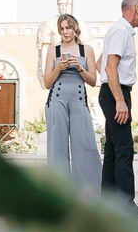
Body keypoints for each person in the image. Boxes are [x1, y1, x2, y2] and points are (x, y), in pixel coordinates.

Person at [40, 14, 101, 191]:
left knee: (86, 145)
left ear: (75, 28)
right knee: (57, 148)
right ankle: (60, 192)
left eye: (68, 28)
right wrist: (59, 67)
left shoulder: (86, 50)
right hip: (57, 99)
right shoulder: (54, 51)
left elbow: (92, 80)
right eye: (62, 28)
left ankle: (91, 193)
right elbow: (46, 83)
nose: (65, 32)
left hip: (79, 100)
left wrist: (80, 67)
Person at [101, 0, 138, 216]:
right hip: (116, 93)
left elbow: (103, 64)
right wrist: (120, 101)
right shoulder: (121, 31)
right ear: (136, 8)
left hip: (113, 92)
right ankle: (126, 205)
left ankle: (109, 205)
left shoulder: (119, 31)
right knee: (124, 149)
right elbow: (111, 67)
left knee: (112, 149)